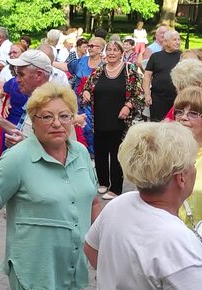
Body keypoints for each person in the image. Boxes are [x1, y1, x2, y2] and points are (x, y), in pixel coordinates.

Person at [0, 82, 100, 290]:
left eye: (64, 116)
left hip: (75, 271)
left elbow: (93, 202)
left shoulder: (81, 153)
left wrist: (102, 252)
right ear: (33, 120)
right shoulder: (16, 159)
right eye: (47, 117)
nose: (57, 123)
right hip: (34, 274)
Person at [84, 122, 202, 289]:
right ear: (180, 177)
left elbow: (90, 249)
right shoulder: (179, 243)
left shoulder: (118, 204)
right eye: (192, 164)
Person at [81, 40, 144, 199]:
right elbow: (87, 87)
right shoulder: (99, 70)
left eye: (115, 50)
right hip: (100, 119)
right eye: (109, 50)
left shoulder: (129, 70)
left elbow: (139, 95)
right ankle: (102, 182)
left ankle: (115, 188)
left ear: (122, 52)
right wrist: (86, 93)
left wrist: (128, 106)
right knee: (100, 152)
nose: (111, 53)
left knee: (117, 155)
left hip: (120, 121)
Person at [68, 36, 105, 155]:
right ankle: (78, 152)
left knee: (91, 129)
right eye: (88, 45)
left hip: (95, 104)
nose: (89, 48)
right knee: (77, 127)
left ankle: (93, 153)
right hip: (77, 102)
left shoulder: (105, 65)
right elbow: (68, 68)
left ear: (101, 49)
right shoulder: (81, 60)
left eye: (93, 46)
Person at [0, 42, 27, 164]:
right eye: (10, 52)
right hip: (9, 110)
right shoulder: (7, 70)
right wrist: (5, 97)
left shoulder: (27, 75)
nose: (11, 54)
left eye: (15, 52)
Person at [174, 87, 202, 230]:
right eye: (179, 112)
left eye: (193, 113)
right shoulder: (165, 153)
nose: (183, 117)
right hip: (169, 239)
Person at [143, 30, 181, 121]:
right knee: (157, 126)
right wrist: (147, 94)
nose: (178, 42)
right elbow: (147, 76)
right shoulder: (156, 56)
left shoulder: (183, 56)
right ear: (166, 41)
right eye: (174, 40)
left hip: (177, 98)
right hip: (158, 99)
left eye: (179, 40)